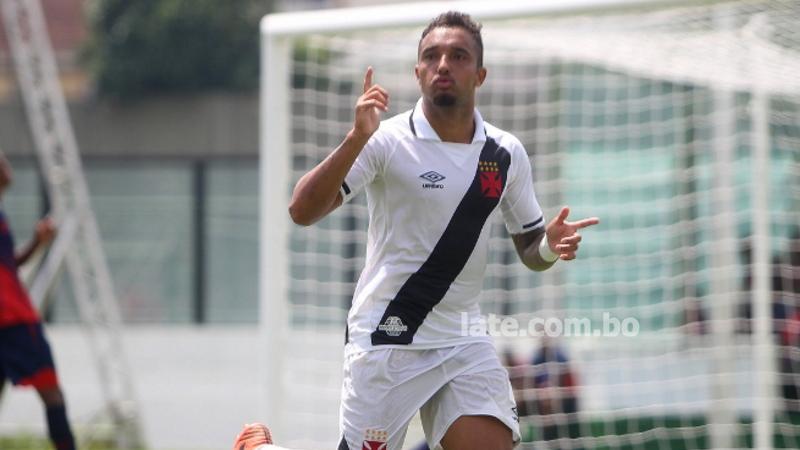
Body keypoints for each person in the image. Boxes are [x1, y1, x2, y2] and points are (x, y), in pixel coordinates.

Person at [236, 11, 598, 450]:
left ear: (480, 75)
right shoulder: (385, 140)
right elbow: (301, 210)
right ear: (418, 71)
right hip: (389, 333)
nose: (443, 64)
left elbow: (530, 251)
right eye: (432, 56)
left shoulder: (505, 153)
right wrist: (355, 137)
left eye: (458, 55)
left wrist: (550, 247)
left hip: (462, 337)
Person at [0, 153, 76, 450]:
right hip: (14, 319)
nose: (6, 167)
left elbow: (10, 264)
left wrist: (37, 242)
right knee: (52, 394)